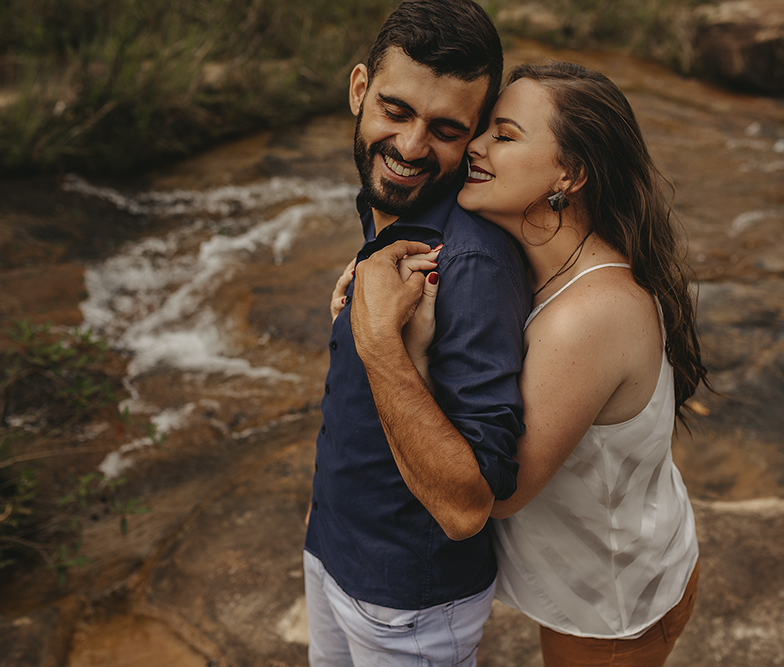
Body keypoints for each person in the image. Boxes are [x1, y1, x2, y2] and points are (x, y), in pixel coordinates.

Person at [349, 62, 711, 666]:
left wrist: (403, 348)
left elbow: (502, 492)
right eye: (483, 129)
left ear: (569, 173)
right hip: (615, 566)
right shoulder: (545, 257)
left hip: (610, 604)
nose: (475, 147)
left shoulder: (588, 317)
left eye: (505, 135)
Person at [302, 1, 532, 666]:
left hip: (408, 603)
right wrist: (324, 514)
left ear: (476, 136)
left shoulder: (472, 261)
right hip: (334, 547)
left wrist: (377, 342)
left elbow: (467, 506)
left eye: (445, 129)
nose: (409, 147)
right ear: (358, 90)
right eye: (396, 111)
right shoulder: (393, 207)